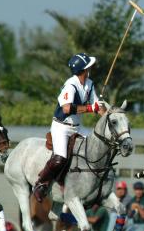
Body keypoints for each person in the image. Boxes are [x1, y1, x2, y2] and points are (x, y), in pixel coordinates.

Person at [33, 53, 106, 202]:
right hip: (61, 127)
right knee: (60, 158)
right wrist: (91, 108)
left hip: (78, 127)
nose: (90, 69)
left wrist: (108, 116)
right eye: (88, 67)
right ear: (83, 69)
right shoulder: (71, 85)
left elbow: (97, 107)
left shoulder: (89, 84)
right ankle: (41, 182)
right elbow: (66, 108)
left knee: (96, 147)